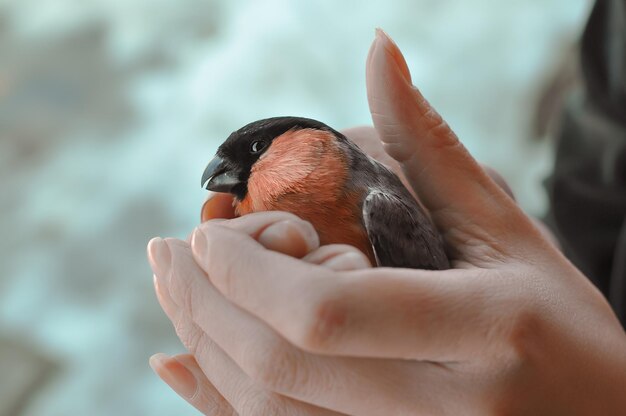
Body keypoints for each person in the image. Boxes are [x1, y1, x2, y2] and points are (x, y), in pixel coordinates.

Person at [146, 5, 626, 415]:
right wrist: (538, 254)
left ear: (315, 147)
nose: (224, 176)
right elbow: (591, 211)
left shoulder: (379, 207)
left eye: (253, 152)